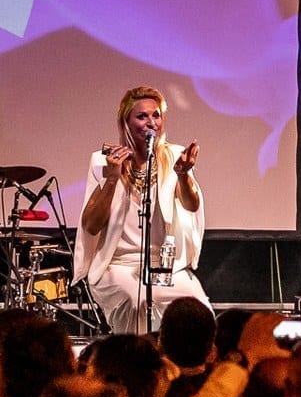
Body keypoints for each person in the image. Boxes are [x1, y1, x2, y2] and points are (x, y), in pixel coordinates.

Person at [74, 86, 208, 335]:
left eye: (156, 115)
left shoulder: (175, 156)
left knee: (198, 308)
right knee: (136, 302)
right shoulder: (103, 161)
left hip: (165, 266)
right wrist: (112, 179)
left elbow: (192, 205)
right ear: (126, 122)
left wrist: (182, 175)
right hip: (119, 265)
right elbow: (91, 225)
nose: (151, 123)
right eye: (142, 116)